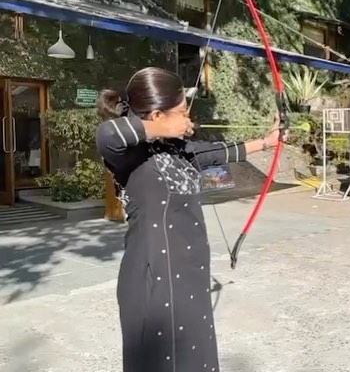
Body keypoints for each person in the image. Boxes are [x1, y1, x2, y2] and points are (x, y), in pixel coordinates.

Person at [96, 67, 286, 372]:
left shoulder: (178, 150)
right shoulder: (128, 155)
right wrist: (162, 128)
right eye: (183, 112)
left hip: (189, 274)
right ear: (157, 116)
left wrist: (267, 142)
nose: (190, 120)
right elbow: (107, 135)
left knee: (195, 359)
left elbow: (214, 153)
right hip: (152, 278)